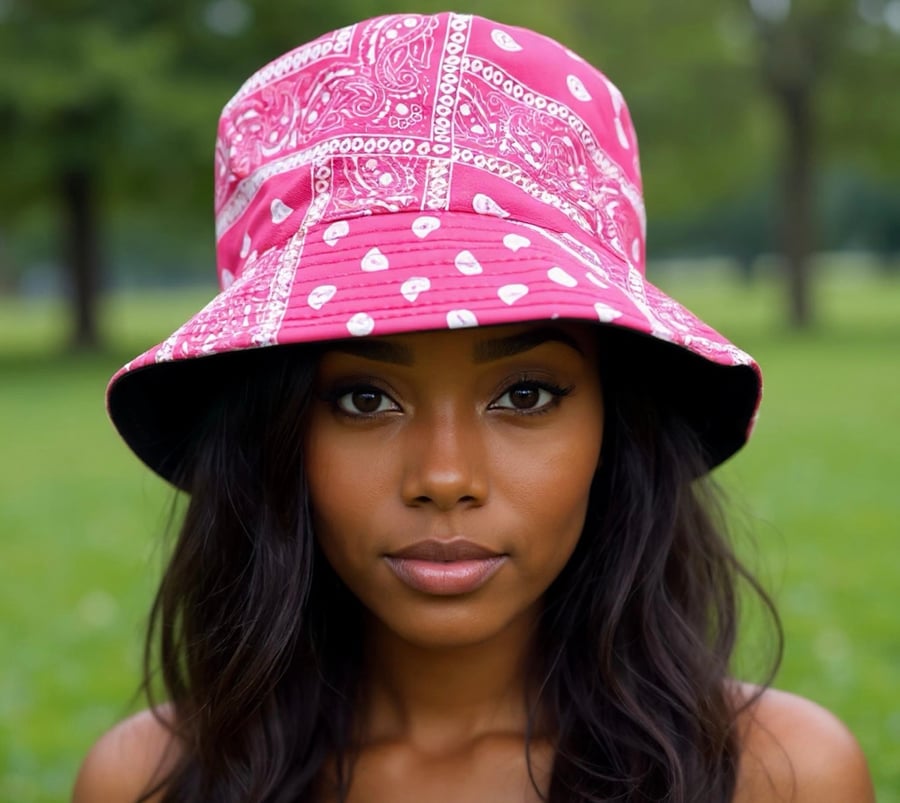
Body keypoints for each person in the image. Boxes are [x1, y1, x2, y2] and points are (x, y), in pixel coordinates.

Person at [72, 12, 874, 803]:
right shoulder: (147, 781)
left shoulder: (777, 775)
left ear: (616, 422)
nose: (445, 475)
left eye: (525, 394)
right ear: (265, 434)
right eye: (363, 397)